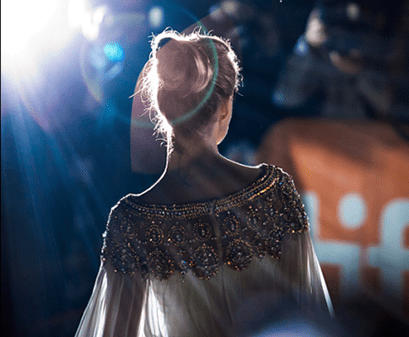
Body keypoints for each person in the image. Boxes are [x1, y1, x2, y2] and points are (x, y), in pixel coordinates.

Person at [75, 28, 333, 336]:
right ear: (224, 107)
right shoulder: (275, 191)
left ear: (161, 107)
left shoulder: (133, 223)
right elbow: (310, 314)